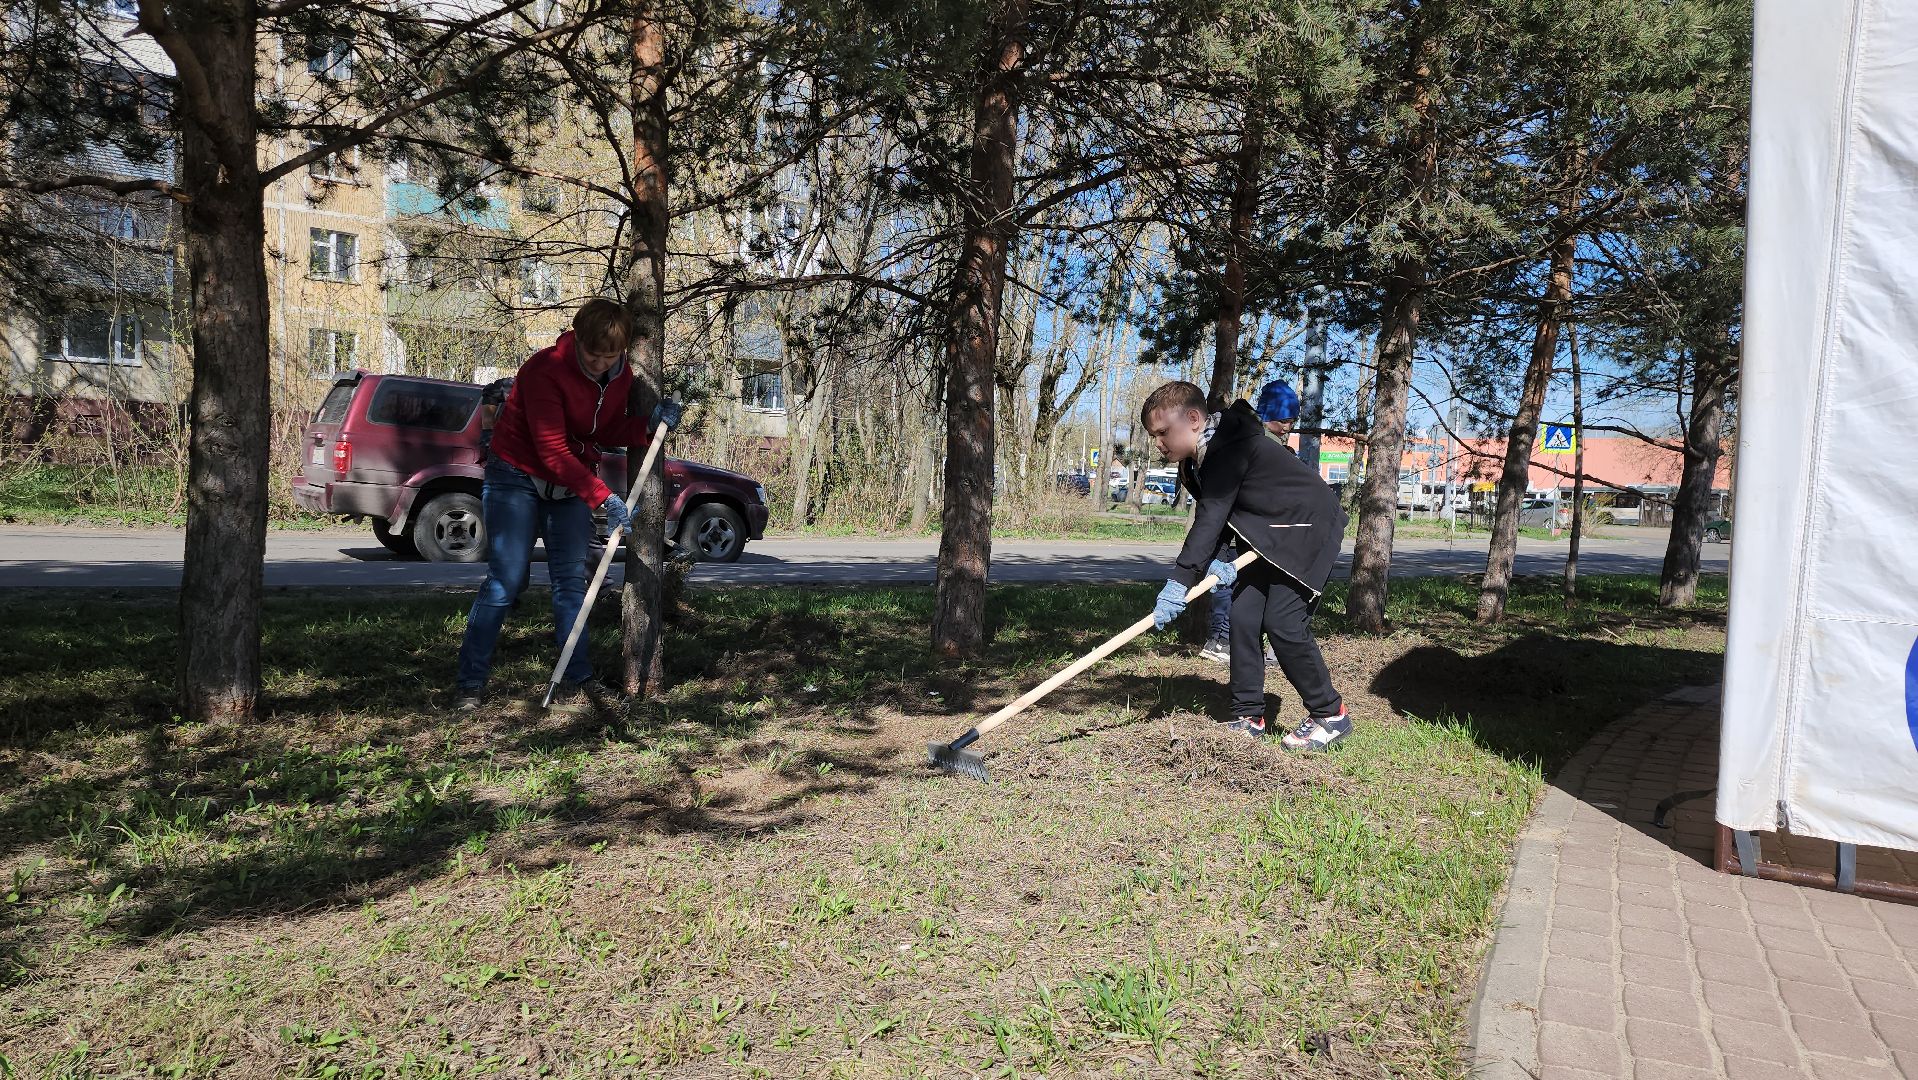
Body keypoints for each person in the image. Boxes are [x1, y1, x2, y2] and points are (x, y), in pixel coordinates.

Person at [453, 299, 682, 711]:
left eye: (608, 355)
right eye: (591, 352)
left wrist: (647, 427)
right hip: (517, 476)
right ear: (576, 338)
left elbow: (605, 429)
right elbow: (551, 450)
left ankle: (576, 679)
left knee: (572, 583)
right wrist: (602, 496)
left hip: (568, 485)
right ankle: (470, 682)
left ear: (622, 351)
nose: (597, 362)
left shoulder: (619, 376)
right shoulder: (545, 370)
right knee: (507, 581)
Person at [1140, 380, 1351, 750]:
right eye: (1153, 435)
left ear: (1193, 418)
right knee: (1243, 616)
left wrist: (1180, 582)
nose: (1158, 443)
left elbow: (1209, 517)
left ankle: (1330, 713)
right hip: (1265, 534)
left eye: (1162, 432)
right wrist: (1224, 561)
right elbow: (1223, 516)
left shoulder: (1228, 448)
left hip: (1307, 527)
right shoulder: (1194, 462)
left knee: (1283, 622)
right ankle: (1249, 714)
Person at [1201, 379, 1300, 663]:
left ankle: (1234, 642)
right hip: (1244, 529)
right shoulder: (1258, 442)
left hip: (1248, 530)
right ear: (1268, 415)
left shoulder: (1263, 440)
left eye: (1291, 421)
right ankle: (1221, 639)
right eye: (1283, 420)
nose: (1287, 427)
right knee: (1230, 585)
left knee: (1236, 585)